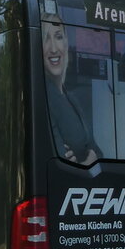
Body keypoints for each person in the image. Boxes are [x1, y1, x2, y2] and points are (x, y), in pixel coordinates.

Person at [42, 16, 99, 164]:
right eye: (46, 39)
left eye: (58, 37)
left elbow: (94, 147)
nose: (54, 48)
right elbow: (60, 163)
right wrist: (89, 161)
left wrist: (92, 155)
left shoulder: (69, 95)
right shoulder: (42, 97)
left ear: (66, 43)